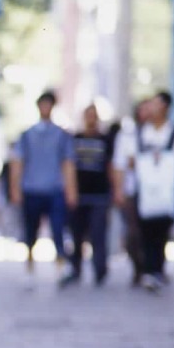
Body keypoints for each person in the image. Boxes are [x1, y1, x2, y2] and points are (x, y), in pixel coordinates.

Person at [113, 91, 174, 292]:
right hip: (142, 193)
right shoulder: (138, 134)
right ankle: (145, 270)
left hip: (166, 194)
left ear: (165, 107)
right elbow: (124, 161)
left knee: (161, 231)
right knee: (140, 232)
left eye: (155, 104)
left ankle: (156, 270)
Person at [9, 91, 79, 280]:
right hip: (32, 189)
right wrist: (15, 188)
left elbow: (68, 164)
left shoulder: (62, 135)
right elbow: (18, 162)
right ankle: (30, 266)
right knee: (30, 231)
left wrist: (71, 190)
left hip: (55, 189)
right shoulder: (26, 135)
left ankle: (60, 265)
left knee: (58, 230)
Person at [62, 104, 118, 287]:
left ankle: (100, 270)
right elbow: (68, 166)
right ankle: (75, 268)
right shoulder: (75, 139)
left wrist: (115, 190)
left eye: (94, 116)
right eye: (88, 115)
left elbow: (111, 166)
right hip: (79, 195)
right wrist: (71, 191)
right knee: (76, 235)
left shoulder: (105, 140)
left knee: (98, 234)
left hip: (100, 195)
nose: (91, 119)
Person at [111, 100, 150, 284]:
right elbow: (119, 163)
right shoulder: (126, 136)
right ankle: (138, 267)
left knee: (153, 231)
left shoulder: (162, 134)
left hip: (154, 191)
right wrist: (119, 190)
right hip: (132, 190)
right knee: (132, 232)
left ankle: (153, 267)